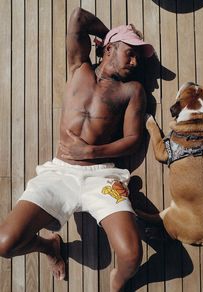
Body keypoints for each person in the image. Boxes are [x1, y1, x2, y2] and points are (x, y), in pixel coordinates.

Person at [0, 7, 154, 292]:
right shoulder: (79, 67)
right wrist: (109, 33)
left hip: (102, 177)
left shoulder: (132, 90)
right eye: (129, 52)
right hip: (59, 173)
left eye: (137, 57)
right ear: (109, 48)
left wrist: (92, 153)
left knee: (131, 257)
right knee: (5, 244)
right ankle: (49, 246)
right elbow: (78, 17)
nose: (134, 62)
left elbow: (134, 139)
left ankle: (117, 284)